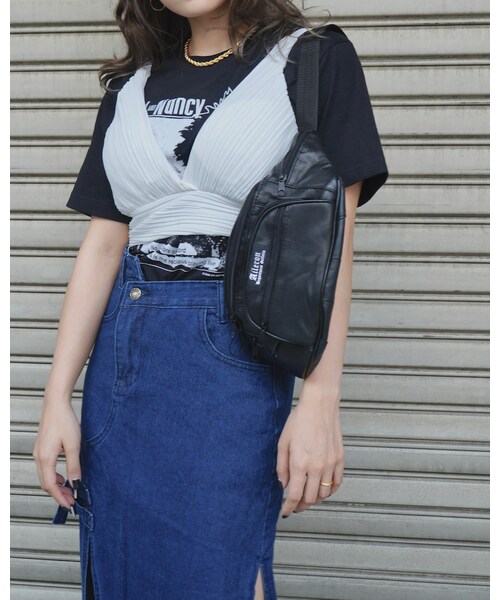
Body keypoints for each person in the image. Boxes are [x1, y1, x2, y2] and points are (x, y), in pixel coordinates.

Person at [32, 1, 389, 598]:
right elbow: (103, 245)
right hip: (123, 357)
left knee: (224, 568)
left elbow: (330, 244)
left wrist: (320, 398)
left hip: (234, 357)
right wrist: (55, 399)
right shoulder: (130, 87)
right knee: (124, 568)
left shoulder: (311, 59)